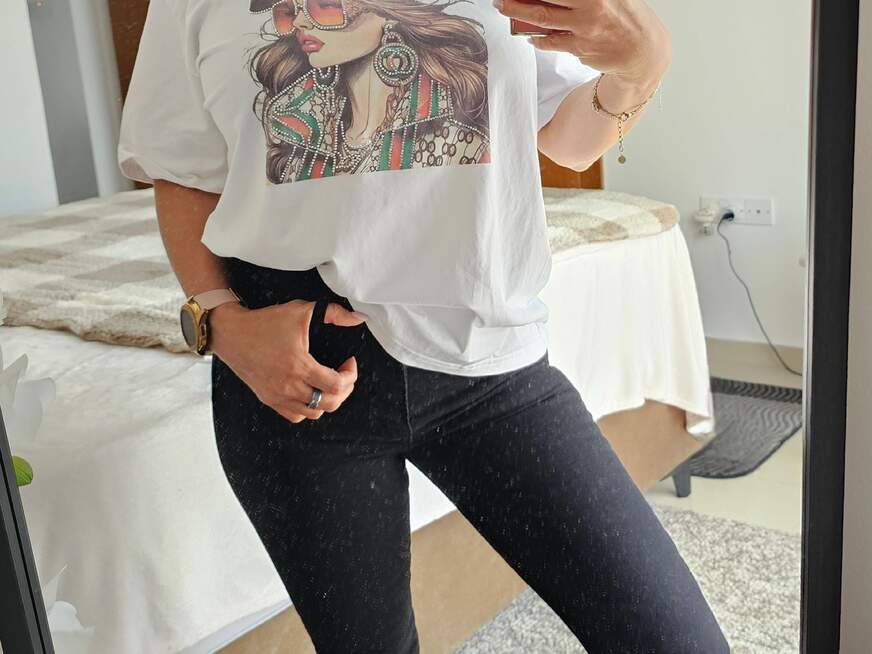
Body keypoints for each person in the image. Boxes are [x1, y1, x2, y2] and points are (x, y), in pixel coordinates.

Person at [119, 0, 731, 652]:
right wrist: (220, 323)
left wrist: (642, 70)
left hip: (490, 363)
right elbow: (179, 168)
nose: (305, 21)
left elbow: (569, 142)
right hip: (296, 377)